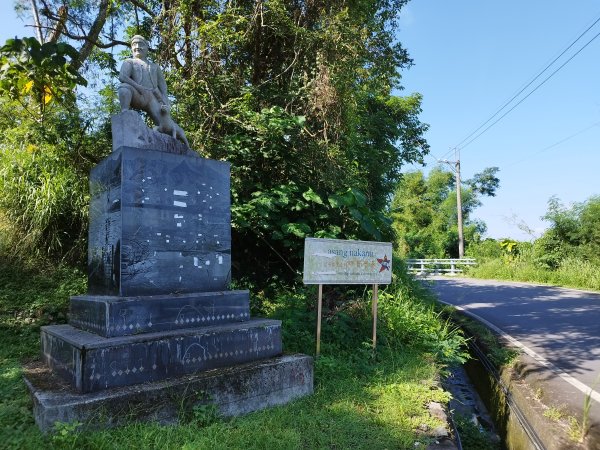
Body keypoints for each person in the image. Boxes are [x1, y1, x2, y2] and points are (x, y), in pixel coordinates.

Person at [118, 35, 190, 148]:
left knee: (165, 125)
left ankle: (174, 145)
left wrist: (165, 102)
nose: (137, 47)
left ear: (147, 47)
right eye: (134, 45)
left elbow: (163, 87)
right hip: (138, 94)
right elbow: (122, 77)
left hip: (153, 97)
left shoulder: (154, 66)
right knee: (123, 88)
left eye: (140, 44)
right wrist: (138, 87)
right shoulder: (129, 62)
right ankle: (125, 111)